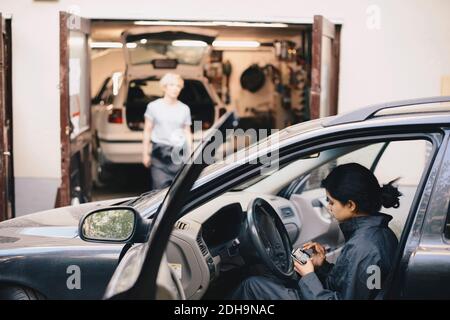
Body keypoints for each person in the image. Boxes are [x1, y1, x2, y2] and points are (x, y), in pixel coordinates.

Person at [232, 162, 401, 300]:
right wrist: (322, 266)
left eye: (332, 202)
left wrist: (308, 276)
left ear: (351, 205)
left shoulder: (365, 248)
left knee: (252, 285)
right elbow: (351, 284)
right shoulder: (378, 235)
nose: (328, 207)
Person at [142, 73, 193, 190]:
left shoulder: (184, 109)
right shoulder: (153, 107)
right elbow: (147, 130)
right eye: (172, 85)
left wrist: (190, 154)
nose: (175, 88)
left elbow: (187, 132)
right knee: (159, 190)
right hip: (159, 154)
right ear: (164, 87)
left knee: (178, 190)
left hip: (178, 155)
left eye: (178, 86)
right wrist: (145, 153)